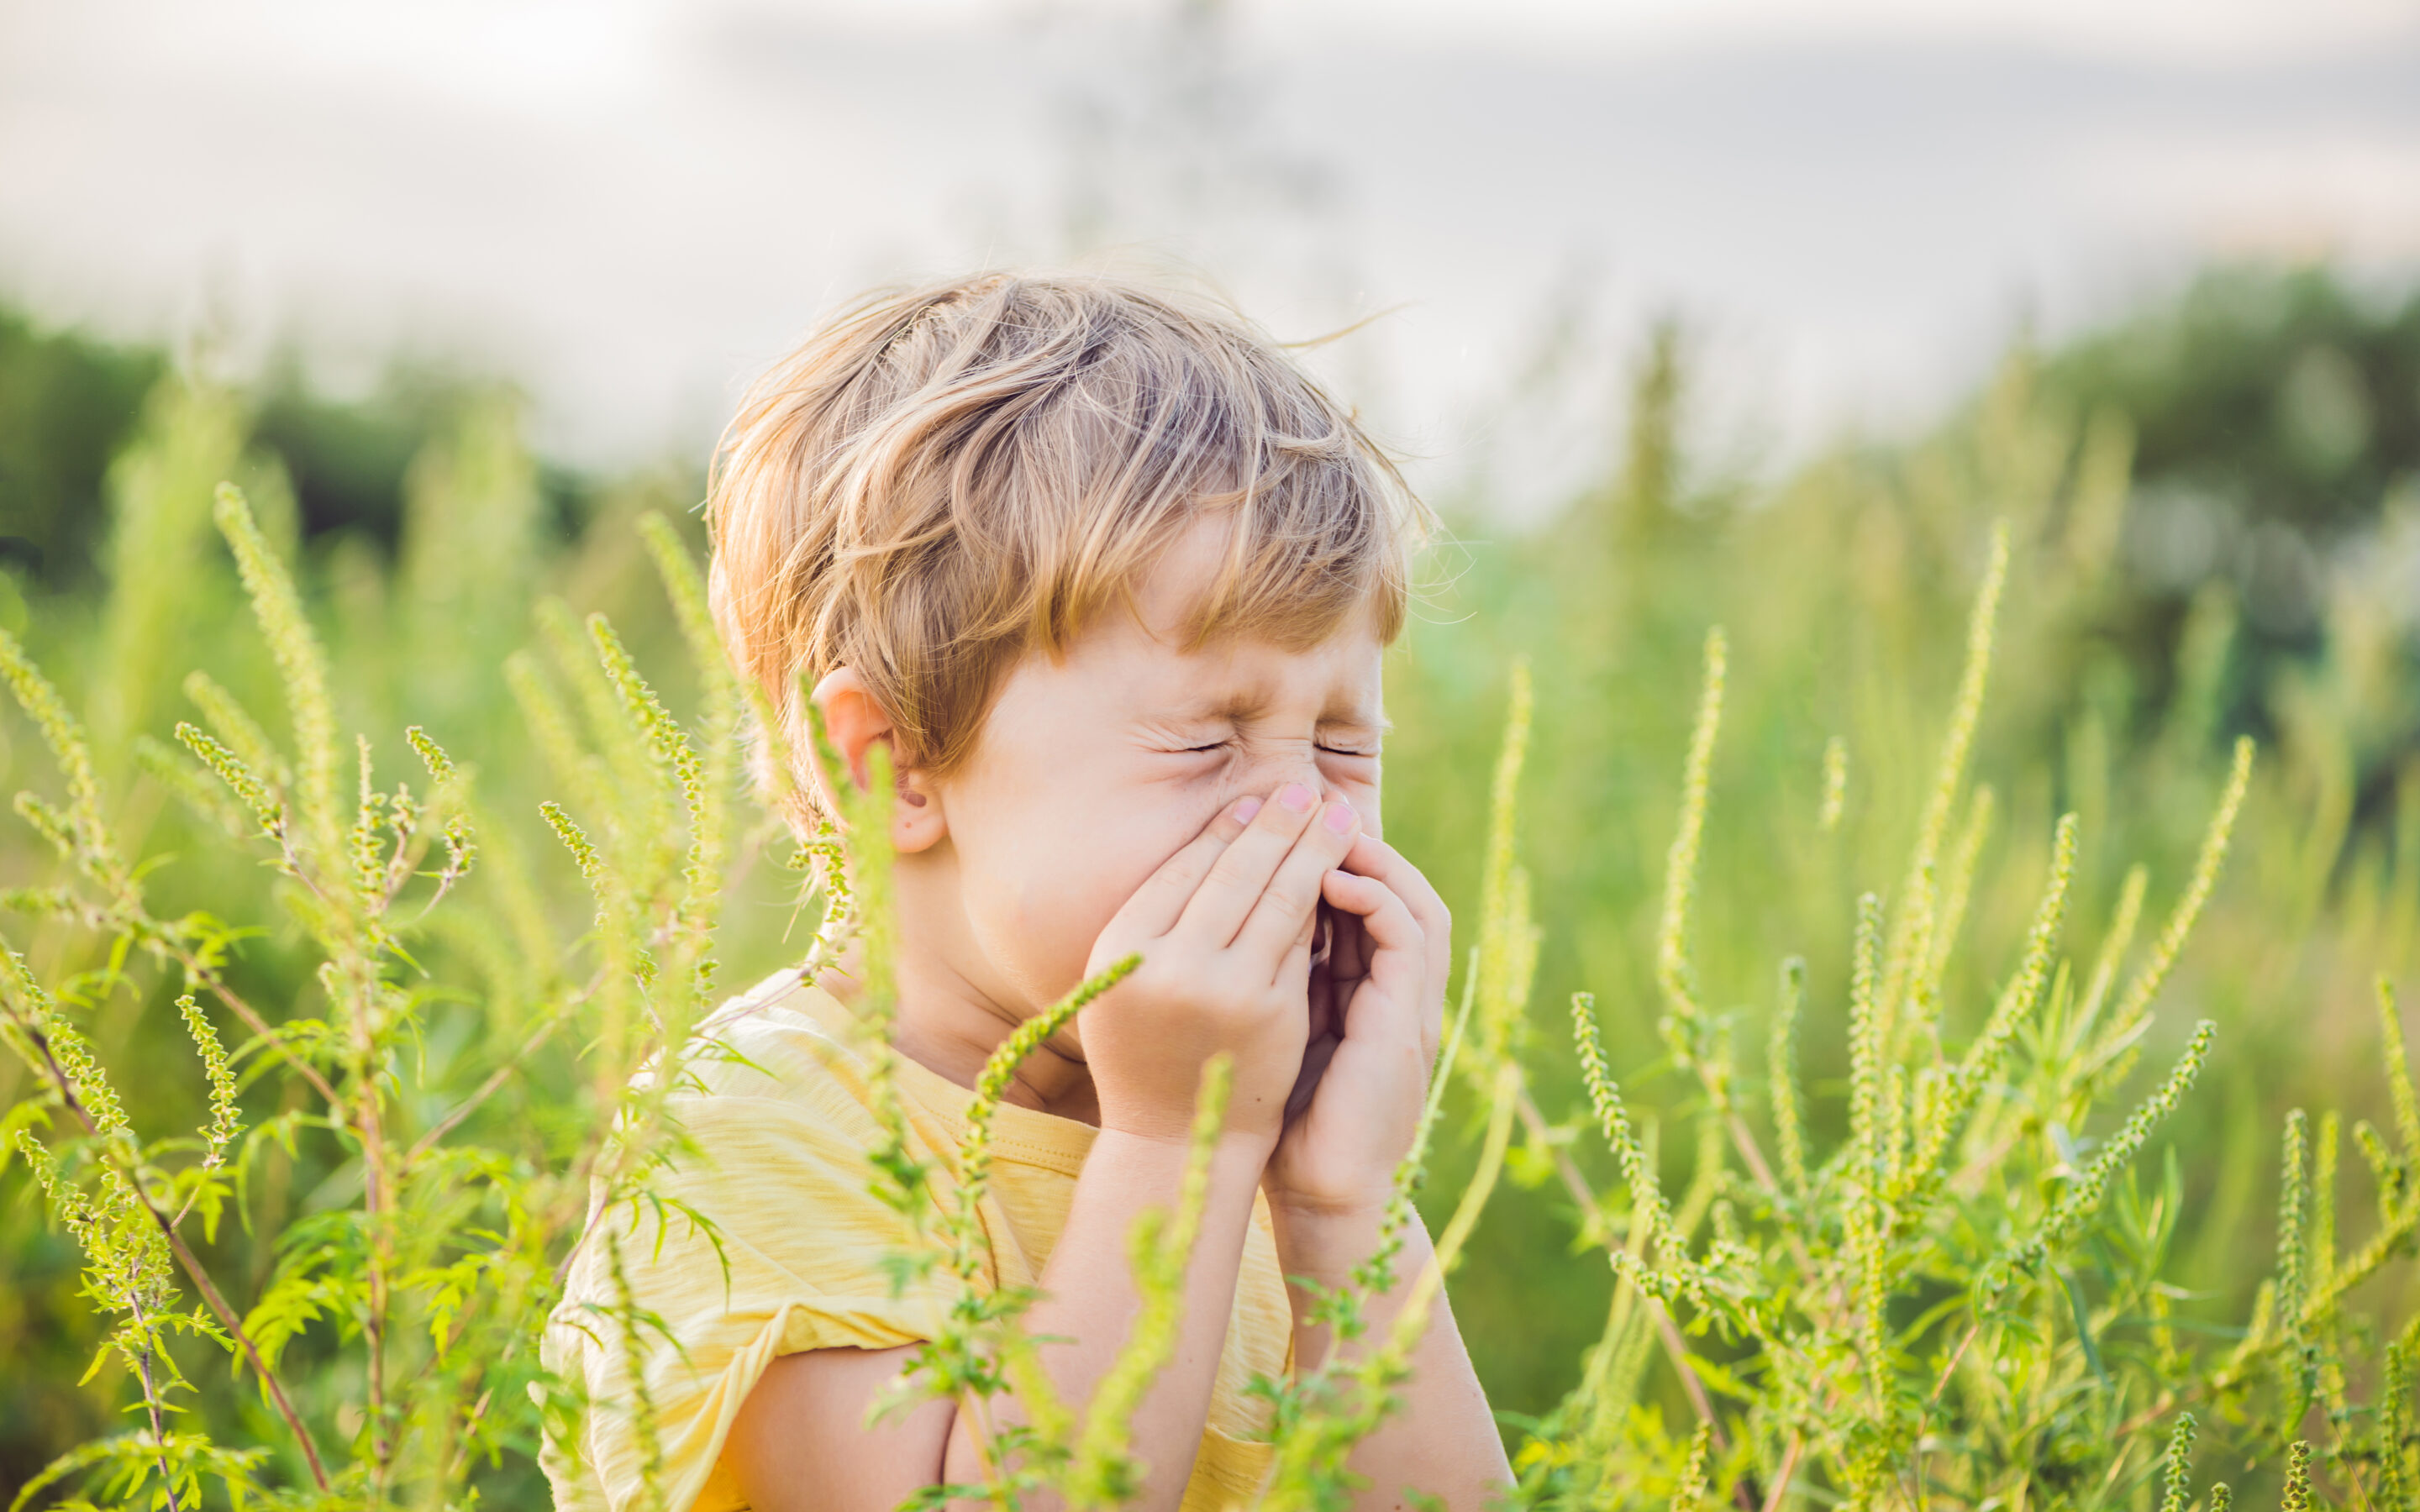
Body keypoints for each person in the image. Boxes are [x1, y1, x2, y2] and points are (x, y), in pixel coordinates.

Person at [541, 271, 1510, 1512]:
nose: (1305, 824)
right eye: (1207, 743)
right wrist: (1181, 1146)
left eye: (1341, 746)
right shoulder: (762, 1140)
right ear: (887, 764)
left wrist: (1346, 1214)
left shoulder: (1264, 1155)